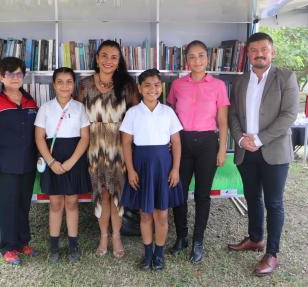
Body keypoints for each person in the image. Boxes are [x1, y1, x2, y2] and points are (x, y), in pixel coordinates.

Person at [228, 32, 299, 276]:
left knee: (274, 202)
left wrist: (258, 139)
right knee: (252, 197)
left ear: (272, 52)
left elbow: (289, 115)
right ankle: (256, 238)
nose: (259, 54)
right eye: (254, 50)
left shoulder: (286, 78)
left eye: (264, 50)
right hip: (245, 151)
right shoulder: (240, 80)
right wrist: (240, 139)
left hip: (274, 152)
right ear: (247, 54)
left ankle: (272, 253)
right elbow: (233, 115)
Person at [167, 40, 230, 263]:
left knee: (203, 195)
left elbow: (223, 122)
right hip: (182, 143)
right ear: (186, 60)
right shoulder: (177, 85)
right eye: (192, 56)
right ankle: (182, 236)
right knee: (178, 192)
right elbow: (170, 114)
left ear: (208, 58)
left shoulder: (219, 86)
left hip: (207, 144)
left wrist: (221, 150)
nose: (197, 61)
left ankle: (198, 241)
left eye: (201, 56)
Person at [76, 40, 139, 258]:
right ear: (96, 58)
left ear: (119, 60)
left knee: (117, 196)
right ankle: (104, 235)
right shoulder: (84, 85)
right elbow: (78, 117)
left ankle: (117, 236)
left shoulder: (128, 85)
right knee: (102, 194)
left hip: (120, 147)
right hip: (94, 148)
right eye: (104, 55)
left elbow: (137, 117)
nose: (108, 61)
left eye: (114, 57)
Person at [0, 57, 38, 265]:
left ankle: (22, 243)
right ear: (1, 77)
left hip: (27, 164)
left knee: (23, 205)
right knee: (6, 206)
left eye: (19, 73)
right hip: (2, 165)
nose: (15, 78)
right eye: (10, 74)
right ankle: (8, 247)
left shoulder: (30, 101)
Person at [120, 69, 184, 271]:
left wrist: (175, 169)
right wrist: (130, 170)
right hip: (141, 167)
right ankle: (147, 254)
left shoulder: (168, 112)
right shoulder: (132, 113)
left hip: (164, 168)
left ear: (161, 87)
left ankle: (159, 253)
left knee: (162, 214)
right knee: (145, 213)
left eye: (156, 84)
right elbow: (126, 143)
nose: (152, 89)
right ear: (139, 88)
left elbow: (176, 142)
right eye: (147, 85)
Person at [34, 67, 91, 264]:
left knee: (72, 202)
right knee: (56, 203)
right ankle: (54, 246)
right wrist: (51, 161)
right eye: (60, 81)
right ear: (54, 85)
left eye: (69, 81)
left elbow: (85, 138)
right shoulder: (45, 108)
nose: (65, 86)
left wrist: (71, 162)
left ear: (73, 84)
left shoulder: (79, 107)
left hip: (74, 160)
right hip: (53, 160)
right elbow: (39, 138)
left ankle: (73, 245)